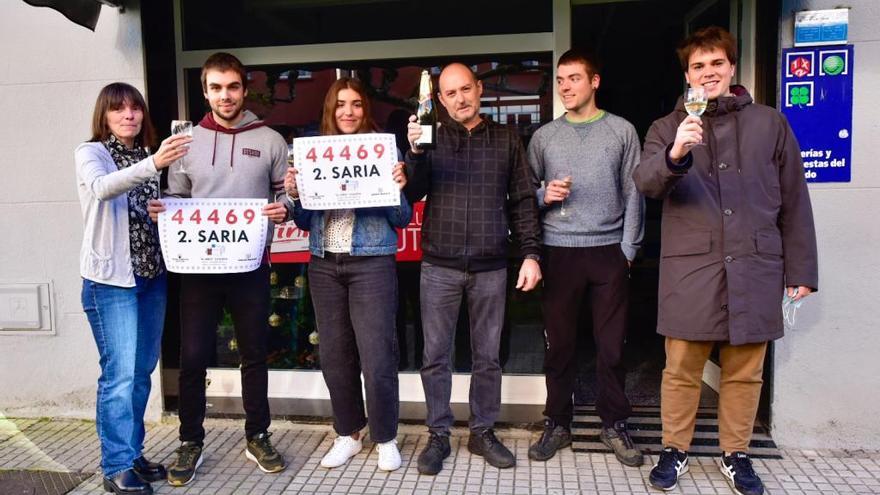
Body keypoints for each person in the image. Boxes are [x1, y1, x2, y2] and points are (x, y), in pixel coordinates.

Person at [633, 27, 818, 495]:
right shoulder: (665, 126)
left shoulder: (770, 123)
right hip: (692, 269)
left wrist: (801, 270)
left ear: (732, 67)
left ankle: (736, 453)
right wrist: (677, 151)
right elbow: (646, 182)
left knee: (744, 371)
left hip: (755, 265)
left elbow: (795, 199)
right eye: (698, 66)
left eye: (716, 63)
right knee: (680, 370)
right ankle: (674, 449)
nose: (708, 72)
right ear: (687, 74)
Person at [147, 52, 291, 486]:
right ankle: (190, 440)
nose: (224, 96)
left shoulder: (270, 140)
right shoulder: (185, 142)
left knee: (253, 353)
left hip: (248, 266)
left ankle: (258, 434)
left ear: (244, 89)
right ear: (205, 91)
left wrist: (283, 209)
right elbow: (177, 199)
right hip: (197, 269)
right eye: (215, 87)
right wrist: (164, 212)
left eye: (232, 87)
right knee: (191, 357)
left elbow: (288, 196)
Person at [403, 63, 543, 475]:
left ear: (479, 89)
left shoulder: (506, 139)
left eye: (466, 89)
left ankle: (483, 431)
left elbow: (521, 200)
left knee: (487, 357)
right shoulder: (430, 136)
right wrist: (413, 152)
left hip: (490, 266)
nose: (460, 99)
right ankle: (438, 435)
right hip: (439, 266)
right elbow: (409, 192)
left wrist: (531, 253)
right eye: (451, 93)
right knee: (435, 356)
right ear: (440, 99)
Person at [283, 77, 412, 471]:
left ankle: (386, 436)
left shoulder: (381, 150)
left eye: (356, 104)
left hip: (371, 261)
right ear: (330, 109)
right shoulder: (315, 150)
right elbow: (304, 221)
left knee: (377, 356)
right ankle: (349, 433)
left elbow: (402, 218)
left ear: (364, 109)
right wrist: (294, 194)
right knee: (335, 356)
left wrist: (398, 187)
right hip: (324, 262)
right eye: (341, 104)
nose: (348, 111)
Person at [526, 49, 645, 466]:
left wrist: (628, 249)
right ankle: (557, 423)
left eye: (574, 78)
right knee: (559, 346)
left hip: (608, 252)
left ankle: (613, 424)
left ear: (594, 81)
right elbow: (525, 199)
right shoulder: (544, 137)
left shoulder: (622, 131)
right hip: (559, 251)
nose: (565, 87)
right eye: (560, 80)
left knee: (611, 347)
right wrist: (545, 195)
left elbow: (635, 193)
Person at [76, 82, 191, 495]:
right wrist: (155, 163)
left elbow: (137, 212)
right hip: (111, 283)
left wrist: (158, 211)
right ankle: (116, 466)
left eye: (135, 109)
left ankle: (133, 454)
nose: (129, 116)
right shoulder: (91, 154)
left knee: (141, 373)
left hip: (150, 277)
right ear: (104, 116)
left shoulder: (145, 155)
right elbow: (104, 188)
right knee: (119, 376)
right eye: (119, 110)